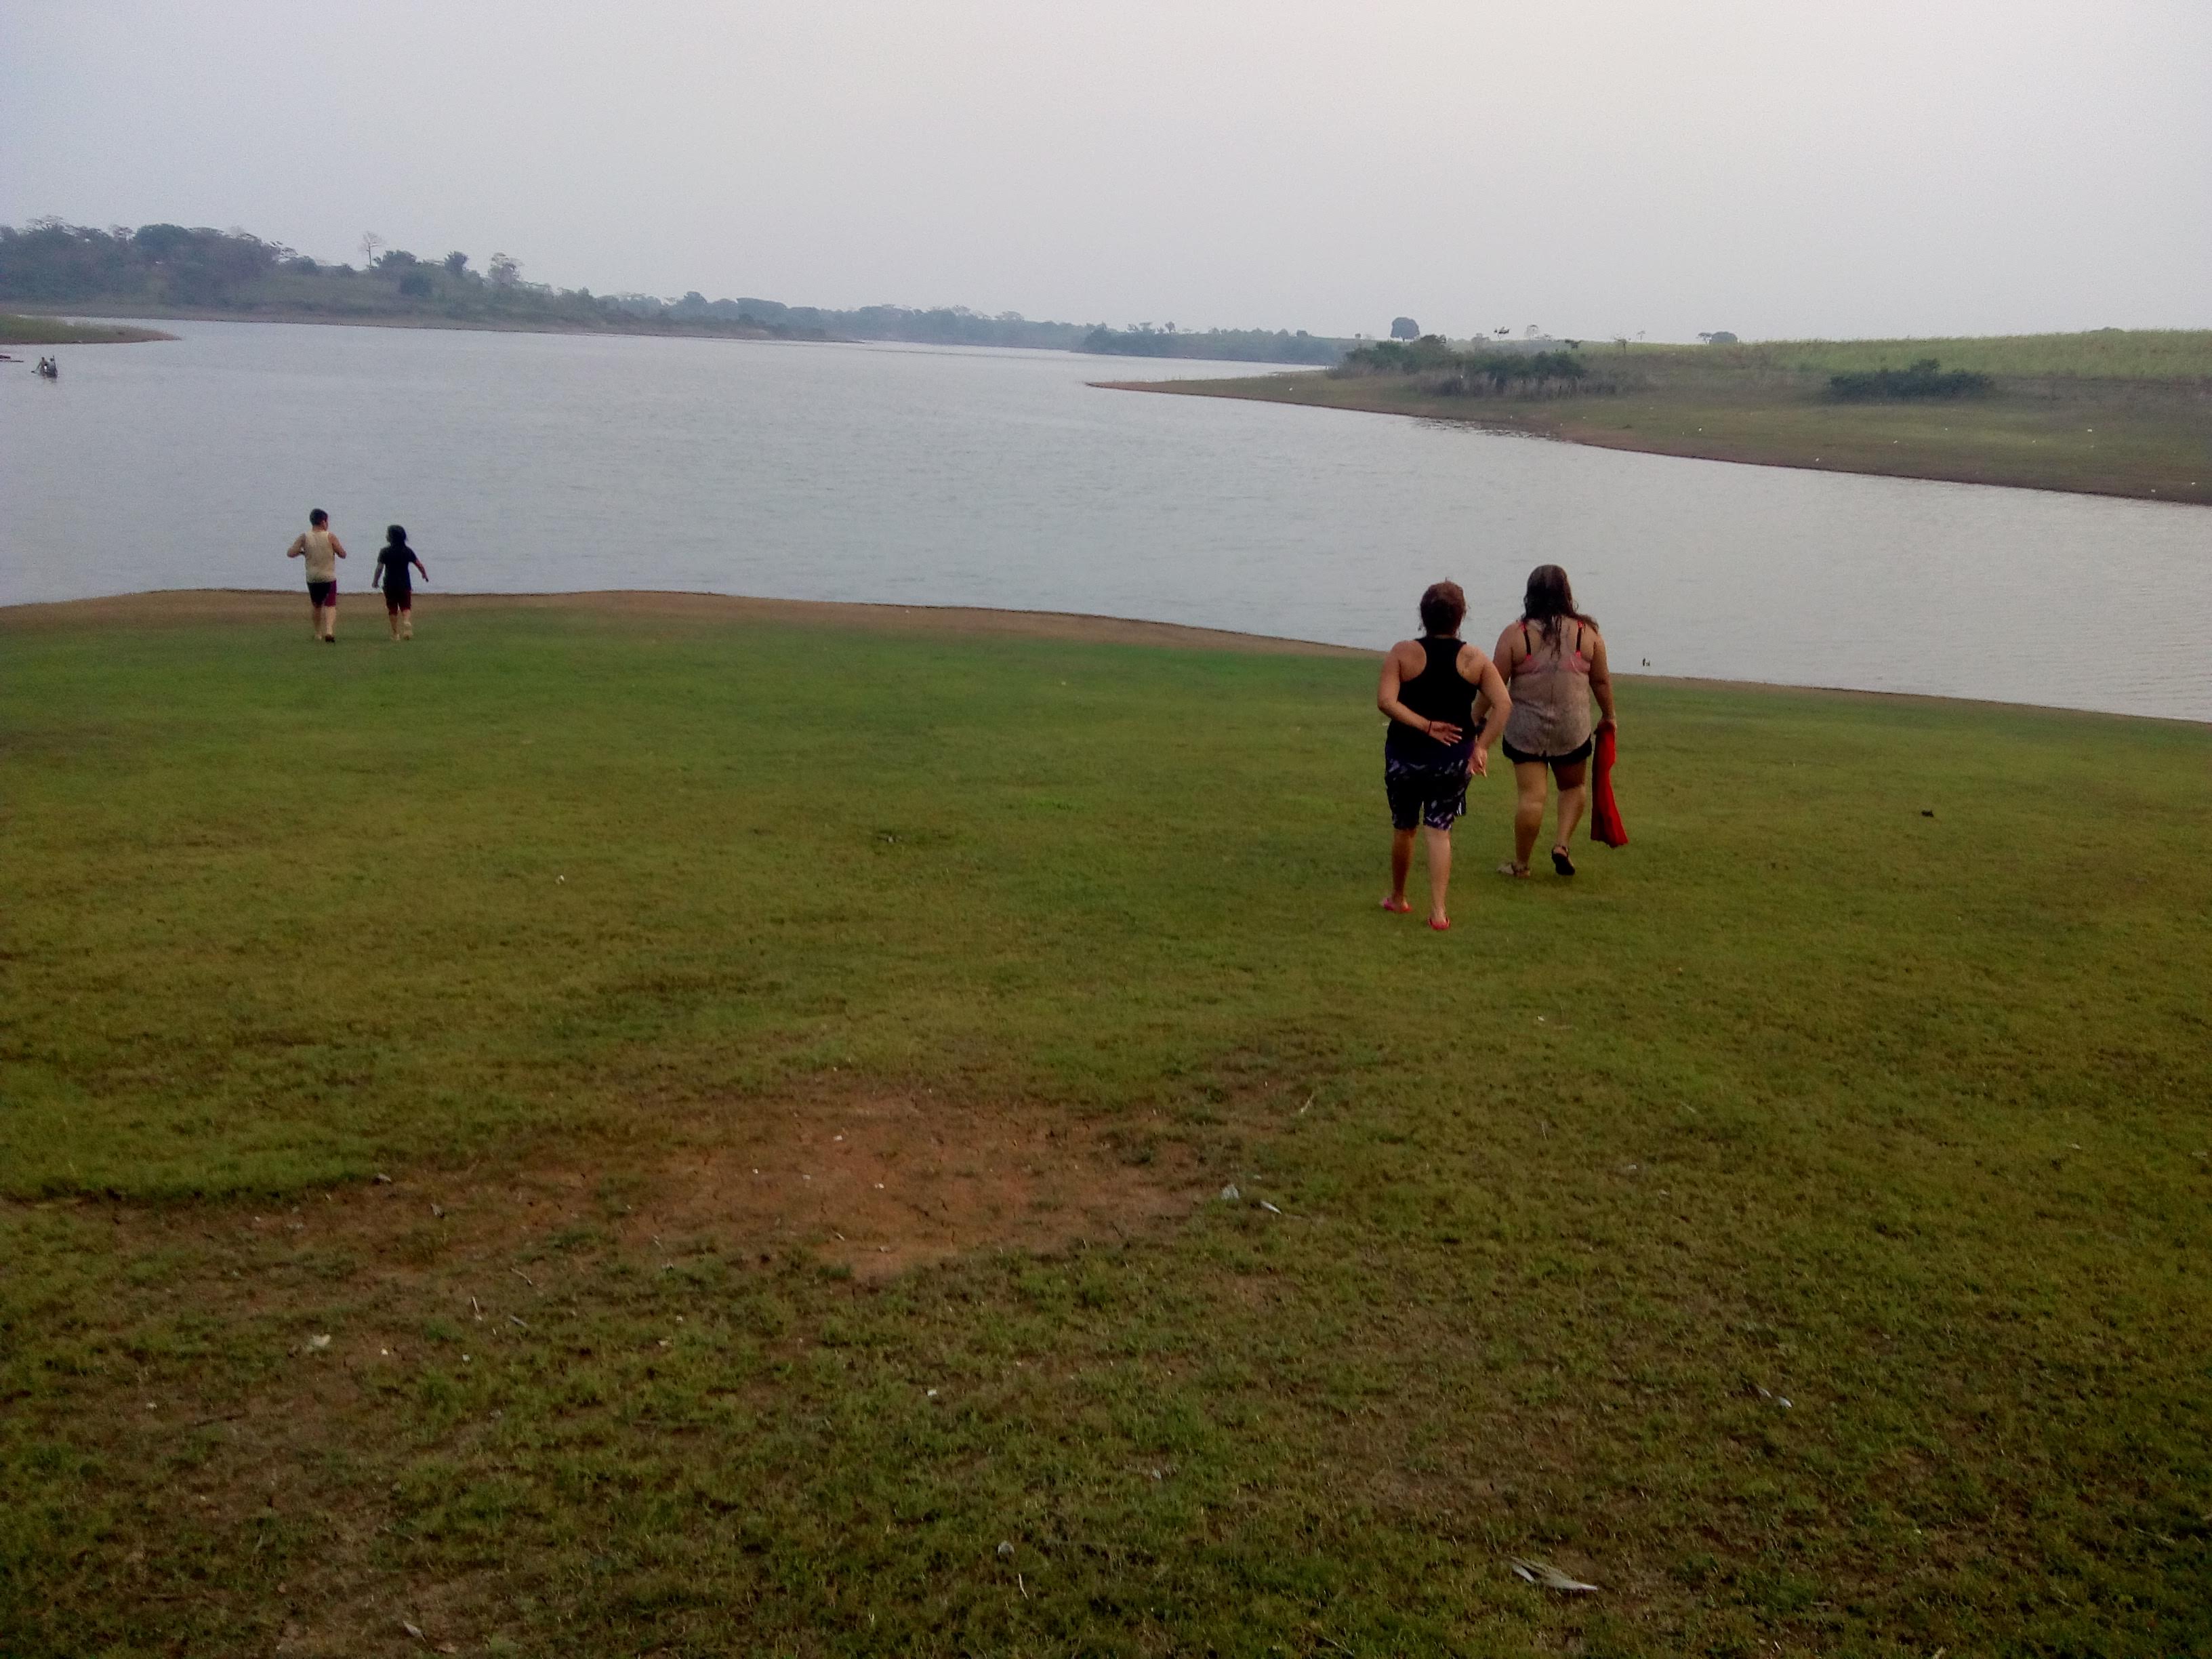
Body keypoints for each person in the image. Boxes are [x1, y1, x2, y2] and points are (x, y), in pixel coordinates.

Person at [1376, 580, 1511, 931]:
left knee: (1404, 827)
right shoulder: (1475, 659)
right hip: (1453, 760)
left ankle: (1398, 897)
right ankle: (1438, 912)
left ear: (1423, 615)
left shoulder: (1403, 653)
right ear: (1461, 616)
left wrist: (1423, 725)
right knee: (1439, 831)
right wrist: (1480, 747)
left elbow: (1386, 701)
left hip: (1404, 756)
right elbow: (1503, 704)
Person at [1493, 565, 1615, 878]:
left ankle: (1521, 865)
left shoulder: (1515, 635)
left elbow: (1494, 685)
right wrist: (1609, 716)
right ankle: (1561, 844)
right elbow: (1600, 682)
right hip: (1571, 729)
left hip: (1525, 731)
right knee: (1573, 787)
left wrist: (1475, 719)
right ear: (1566, 593)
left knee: (1531, 797)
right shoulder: (1588, 635)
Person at [284, 508, 348, 643]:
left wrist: (302, 552)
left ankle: (318, 633)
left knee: (317, 605)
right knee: (330, 605)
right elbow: (342, 554)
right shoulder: (330, 536)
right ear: (324, 522)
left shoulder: (305, 537)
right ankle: (329, 630)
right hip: (328, 577)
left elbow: (291, 553)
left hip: (312, 578)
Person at [372, 525, 428, 640]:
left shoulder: (385, 551)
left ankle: (395, 634)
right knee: (406, 606)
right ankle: (407, 621)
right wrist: (424, 574)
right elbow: (419, 564)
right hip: (405, 583)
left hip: (389, 584)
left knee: (392, 608)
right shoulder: (407, 551)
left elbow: (379, 568)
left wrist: (375, 581)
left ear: (391, 537)